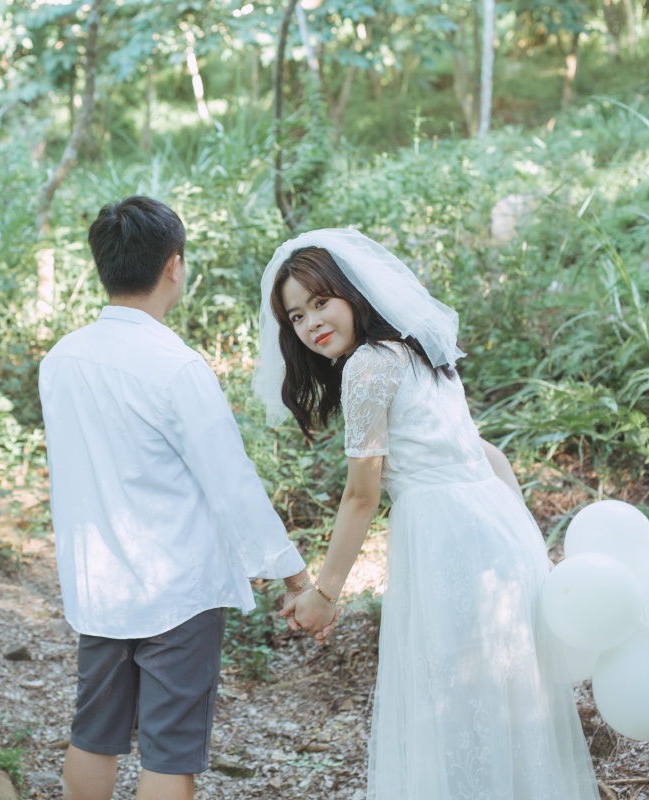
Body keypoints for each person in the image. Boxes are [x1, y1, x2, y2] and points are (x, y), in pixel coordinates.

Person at [254, 228, 600, 799]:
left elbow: (361, 496)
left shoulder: (368, 366)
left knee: (453, 699)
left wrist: (325, 593)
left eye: (320, 302)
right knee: (506, 696)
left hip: (447, 539)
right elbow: (484, 451)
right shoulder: (419, 351)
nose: (311, 323)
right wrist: (526, 542)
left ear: (352, 293)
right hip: (496, 522)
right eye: (295, 317)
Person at [39, 196, 313, 800]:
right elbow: (231, 482)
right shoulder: (176, 366)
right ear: (174, 266)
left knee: (94, 733)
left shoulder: (61, 360)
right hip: (176, 588)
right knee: (170, 749)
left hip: (99, 580)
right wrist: (294, 577)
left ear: (102, 266)